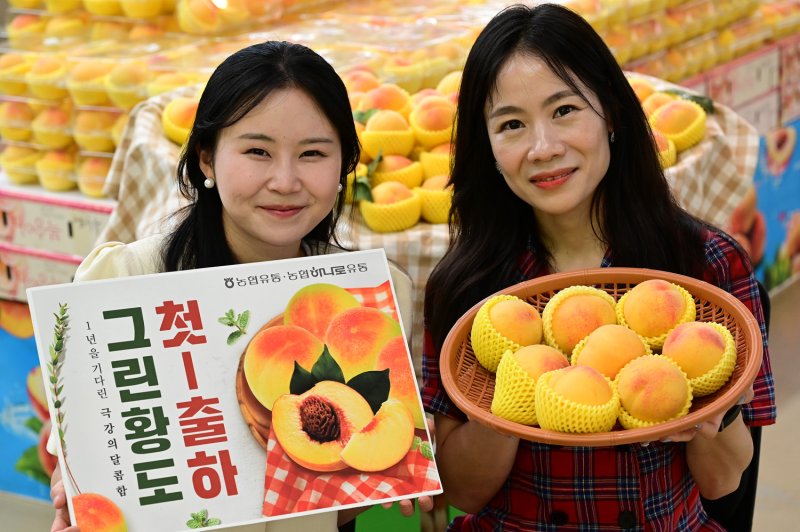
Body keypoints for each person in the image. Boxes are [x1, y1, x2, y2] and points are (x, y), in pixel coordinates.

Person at [50, 40, 431, 532]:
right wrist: (74, 485)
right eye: (257, 151)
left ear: (343, 166)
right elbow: (79, 448)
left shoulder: (371, 301)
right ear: (206, 159)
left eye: (313, 153)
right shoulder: (123, 281)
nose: (286, 180)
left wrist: (380, 474)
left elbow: (340, 496)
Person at [422, 3, 776, 530]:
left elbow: (725, 482)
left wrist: (708, 414)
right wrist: (510, 397)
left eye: (564, 110)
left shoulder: (704, 265)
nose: (544, 148)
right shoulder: (470, 286)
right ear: (488, 148)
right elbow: (466, 493)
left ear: (610, 111)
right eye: (512, 124)